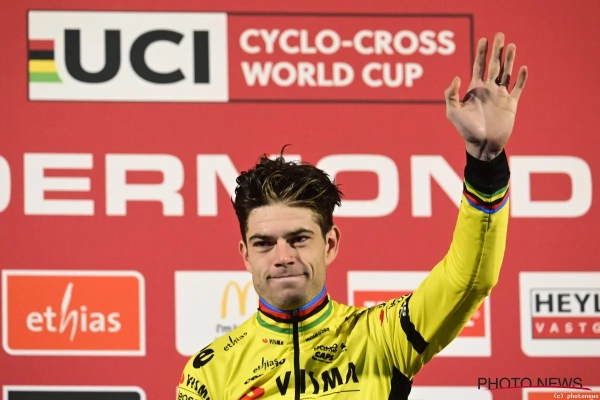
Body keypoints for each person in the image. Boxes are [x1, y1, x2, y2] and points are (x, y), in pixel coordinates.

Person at [176, 32, 528, 400]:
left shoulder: (382, 336)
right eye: (264, 244)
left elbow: (470, 279)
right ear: (246, 255)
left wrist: (485, 163)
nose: (283, 257)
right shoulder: (210, 372)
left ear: (330, 243)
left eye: (299, 239)